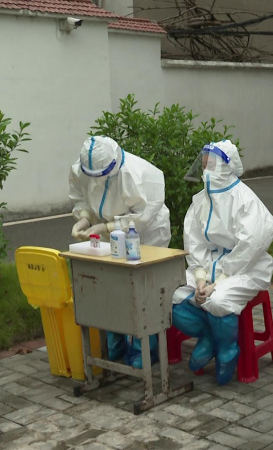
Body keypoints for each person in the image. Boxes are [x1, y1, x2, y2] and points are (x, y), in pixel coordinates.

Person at [171, 140, 273, 385]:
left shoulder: (245, 200)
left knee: (218, 300)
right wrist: (200, 277)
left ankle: (228, 349)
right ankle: (210, 336)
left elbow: (248, 249)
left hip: (246, 270)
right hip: (208, 266)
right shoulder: (201, 201)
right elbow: (194, 241)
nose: (205, 171)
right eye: (203, 166)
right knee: (171, 294)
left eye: (210, 166)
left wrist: (216, 283)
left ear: (225, 167)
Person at [69, 135, 171, 368]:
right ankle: (116, 342)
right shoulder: (82, 168)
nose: (96, 179)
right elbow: (80, 195)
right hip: (108, 231)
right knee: (112, 285)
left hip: (146, 233)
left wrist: (107, 226)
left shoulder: (135, 174)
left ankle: (145, 348)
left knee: (143, 290)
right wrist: (84, 218)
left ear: (113, 165)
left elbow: (142, 215)